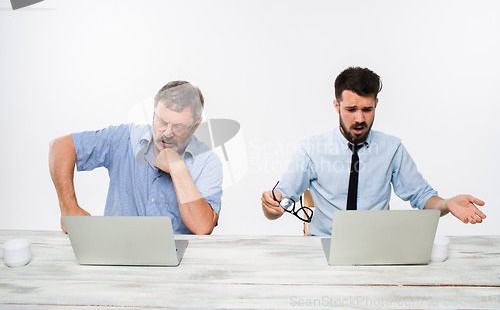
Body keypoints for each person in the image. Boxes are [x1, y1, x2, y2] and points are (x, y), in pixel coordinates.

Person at [261, 67, 486, 236]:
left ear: (376, 104)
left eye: (367, 109)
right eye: (351, 109)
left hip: (377, 248)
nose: (360, 119)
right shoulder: (311, 149)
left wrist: (447, 203)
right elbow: (279, 202)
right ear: (336, 106)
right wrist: (270, 205)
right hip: (324, 246)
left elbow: (422, 196)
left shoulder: (392, 148)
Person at [49, 81, 223, 235]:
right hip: (117, 254)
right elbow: (60, 146)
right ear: (154, 114)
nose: (167, 133)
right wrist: (68, 208)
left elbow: (202, 228)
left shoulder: (207, 162)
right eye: (162, 122)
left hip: (178, 266)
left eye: (178, 126)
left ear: (195, 126)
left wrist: (178, 168)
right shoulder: (125, 138)